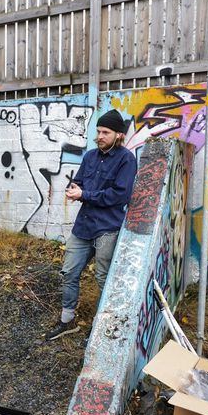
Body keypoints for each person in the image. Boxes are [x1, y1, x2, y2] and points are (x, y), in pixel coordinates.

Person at [45, 110, 137, 341]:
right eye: (98, 131)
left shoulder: (127, 159)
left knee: (103, 278)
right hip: (83, 227)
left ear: (119, 135)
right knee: (69, 272)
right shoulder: (89, 157)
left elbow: (119, 195)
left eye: (106, 132)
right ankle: (67, 321)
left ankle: (104, 328)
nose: (100, 136)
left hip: (108, 227)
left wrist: (85, 194)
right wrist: (73, 188)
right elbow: (80, 181)